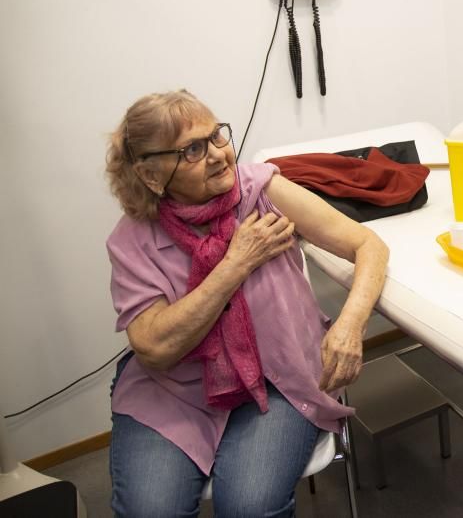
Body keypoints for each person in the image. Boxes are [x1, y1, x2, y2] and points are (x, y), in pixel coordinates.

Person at [104, 90, 388, 517]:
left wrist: (349, 326)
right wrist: (234, 263)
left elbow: (368, 245)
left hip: (280, 380)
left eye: (217, 135)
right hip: (174, 393)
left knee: (250, 508)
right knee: (149, 510)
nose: (220, 155)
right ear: (151, 174)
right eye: (193, 150)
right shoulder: (132, 241)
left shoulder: (260, 189)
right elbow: (155, 347)